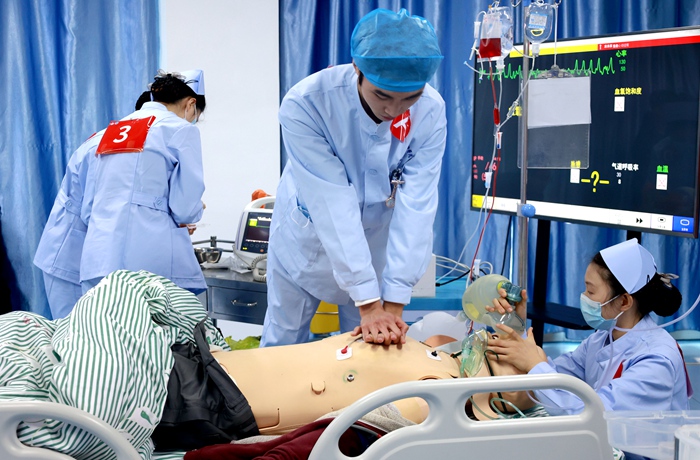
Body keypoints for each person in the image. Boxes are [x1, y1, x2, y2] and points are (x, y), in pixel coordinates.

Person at [261, 8, 447, 347]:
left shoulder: (431, 110)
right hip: (308, 240)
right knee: (283, 344)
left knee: (372, 350)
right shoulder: (307, 104)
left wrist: (393, 302)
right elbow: (331, 200)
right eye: (382, 95)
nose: (393, 110)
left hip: (375, 247)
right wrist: (368, 302)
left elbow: (417, 205)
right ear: (357, 68)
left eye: (410, 98)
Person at [487, 239, 689, 420]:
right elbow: (558, 376)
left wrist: (534, 365)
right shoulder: (602, 338)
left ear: (624, 301)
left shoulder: (656, 361)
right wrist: (516, 327)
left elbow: (593, 415)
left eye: (591, 291)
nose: (584, 297)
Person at [79, 70, 208, 295]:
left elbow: (89, 207)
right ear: (191, 104)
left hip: (97, 256)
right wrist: (195, 209)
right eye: (196, 116)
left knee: (101, 318)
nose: (193, 121)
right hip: (144, 259)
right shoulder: (180, 129)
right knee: (147, 318)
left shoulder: (114, 130)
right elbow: (185, 209)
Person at [33, 130, 104, 319]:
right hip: (66, 257)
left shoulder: (112, 140)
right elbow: (92, 210)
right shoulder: (108, 146)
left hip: (72, 250)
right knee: (73, 330)